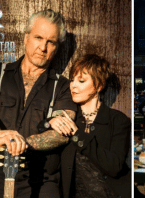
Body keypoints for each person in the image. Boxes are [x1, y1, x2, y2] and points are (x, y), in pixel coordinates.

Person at [0, 10, 77, 197]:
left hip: (40, 178)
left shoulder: (63, 87)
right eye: (38, 37)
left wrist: (22, 143)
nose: (43, 47)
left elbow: (62, 133)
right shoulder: (1, 74)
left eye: (51, 42)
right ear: (26, 38)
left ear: (56, 47)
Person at [48, 54, 131, 198]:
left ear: (99, 85)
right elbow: (50, 165)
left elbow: (114, 167)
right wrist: (48, 123)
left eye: (81, 81)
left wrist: (78, 135)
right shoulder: (68, 117)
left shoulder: (117, 120)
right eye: (72, 80)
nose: (73, 85)